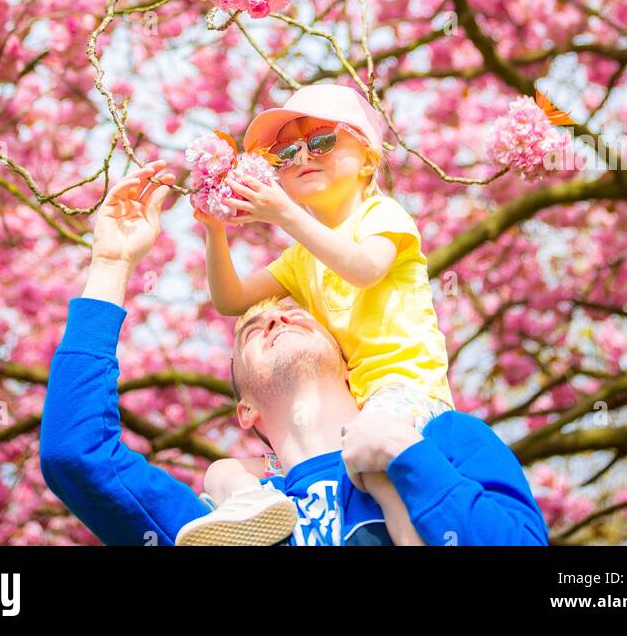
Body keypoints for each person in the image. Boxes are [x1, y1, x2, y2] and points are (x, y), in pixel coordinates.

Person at [39, 161, 550, 548]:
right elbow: (75, 455)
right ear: (246, 411)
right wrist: (110, 262)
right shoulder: (219, 529)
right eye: (252, 328)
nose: (276, 315)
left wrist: (407, 457)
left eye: (296, 313)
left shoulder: (446, 441)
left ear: (347, 361)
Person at [186, 82, 455, 545]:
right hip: (350, 417)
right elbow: (231, 301)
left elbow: (365, 269)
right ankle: (252, 505)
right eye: (286, 153)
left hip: (406, 394)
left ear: (368, 159)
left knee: (371, 451)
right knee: (222, 470)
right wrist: (215, 232)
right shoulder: (301, 257)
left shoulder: (380, 215)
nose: (303, 156)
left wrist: (286, 215)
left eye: (323, 141)